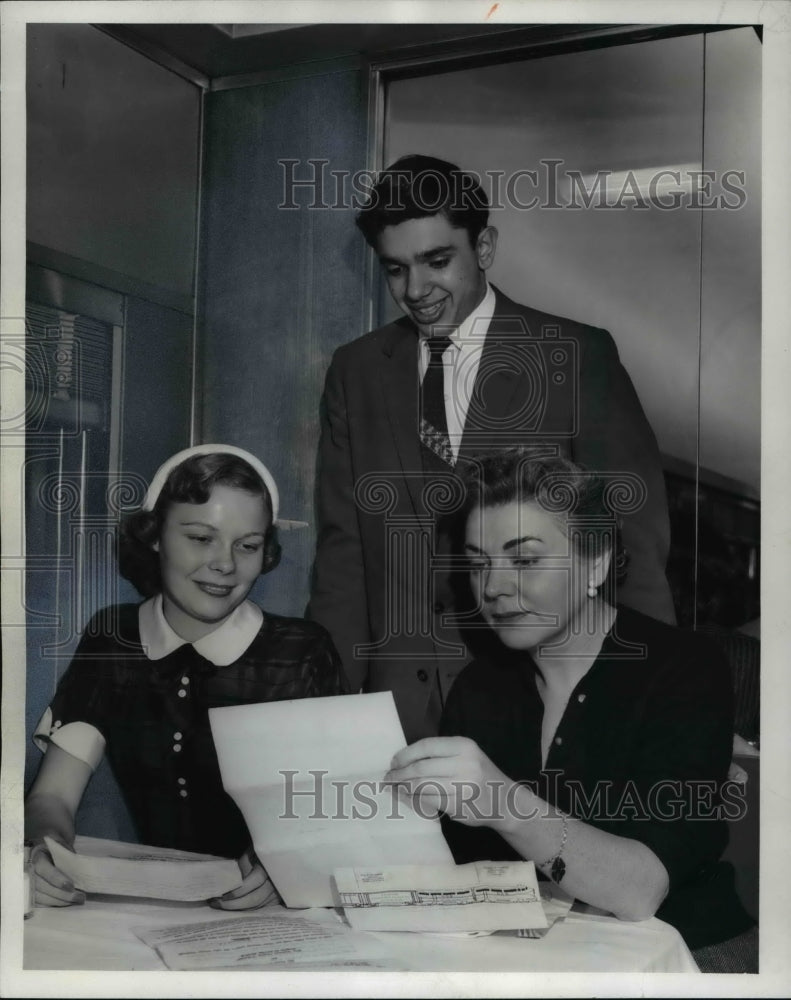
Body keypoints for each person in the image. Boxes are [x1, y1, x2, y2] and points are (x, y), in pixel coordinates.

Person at [310, 154, 675, 743]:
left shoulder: (577, 356)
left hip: (540, 701)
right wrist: (323, 705)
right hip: (396, 715)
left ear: (484, 248)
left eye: (437, 261)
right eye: (395, 270)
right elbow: (342, 556)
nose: (416, 290)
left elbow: (634, 544)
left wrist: (655, 697)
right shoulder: (355, 371)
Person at [383, 449, 755, 961]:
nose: (492, 587)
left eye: (525, 559)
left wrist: (501, 801)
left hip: (688, 954)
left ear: (596, 561)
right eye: (478, 564)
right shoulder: (478, 687)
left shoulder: (685, 669)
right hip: (538, 954)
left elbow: (640, 891)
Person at [25, 444, 348, 909]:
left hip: (278, 913)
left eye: (248, 545)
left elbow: (334, 812)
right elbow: (52, 795)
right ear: (155, 535)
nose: (225, 563)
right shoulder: (112, 638)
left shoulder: (302, 652)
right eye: (200, 538)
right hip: (151, 910)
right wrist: (42, 849)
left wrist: (289, 861)